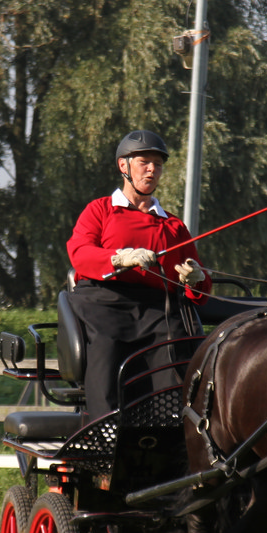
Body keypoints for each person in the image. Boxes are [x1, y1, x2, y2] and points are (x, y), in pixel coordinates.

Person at [65, 129, 212, 419]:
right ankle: (105, 427)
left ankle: (170, 427)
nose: (152, 170)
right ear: (124, 166)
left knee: (175, 346)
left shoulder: (174, 226)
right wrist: (119, 258)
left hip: (158, 308)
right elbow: (80, 253)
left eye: (158, 164)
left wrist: (196, 279)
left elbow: (201, 288)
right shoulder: (100, 210)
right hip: (105, 303)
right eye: (144, 162)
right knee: (105, 348)